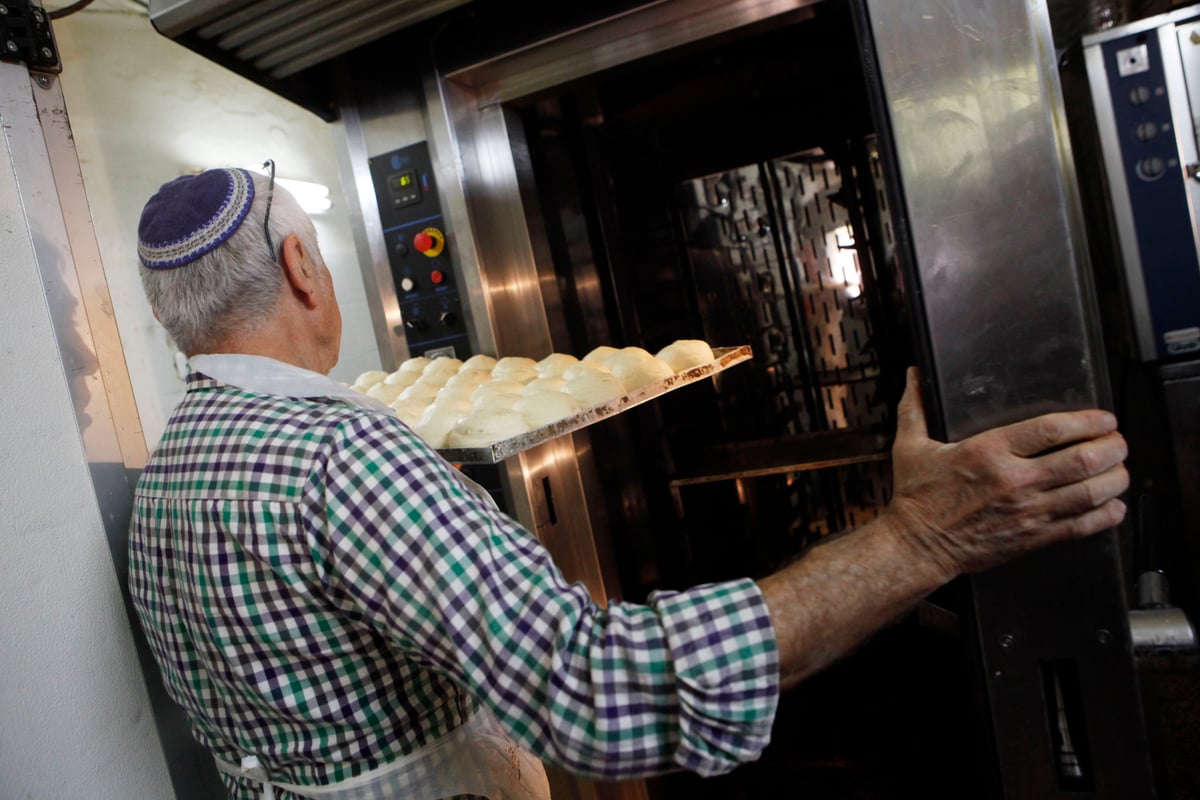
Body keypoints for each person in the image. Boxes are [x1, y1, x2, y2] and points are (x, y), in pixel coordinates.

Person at [128, 167, 1130, 800]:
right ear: (303, 266)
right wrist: (922, 539)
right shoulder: (341, 455)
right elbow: (597, 687)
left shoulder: (163, 483)